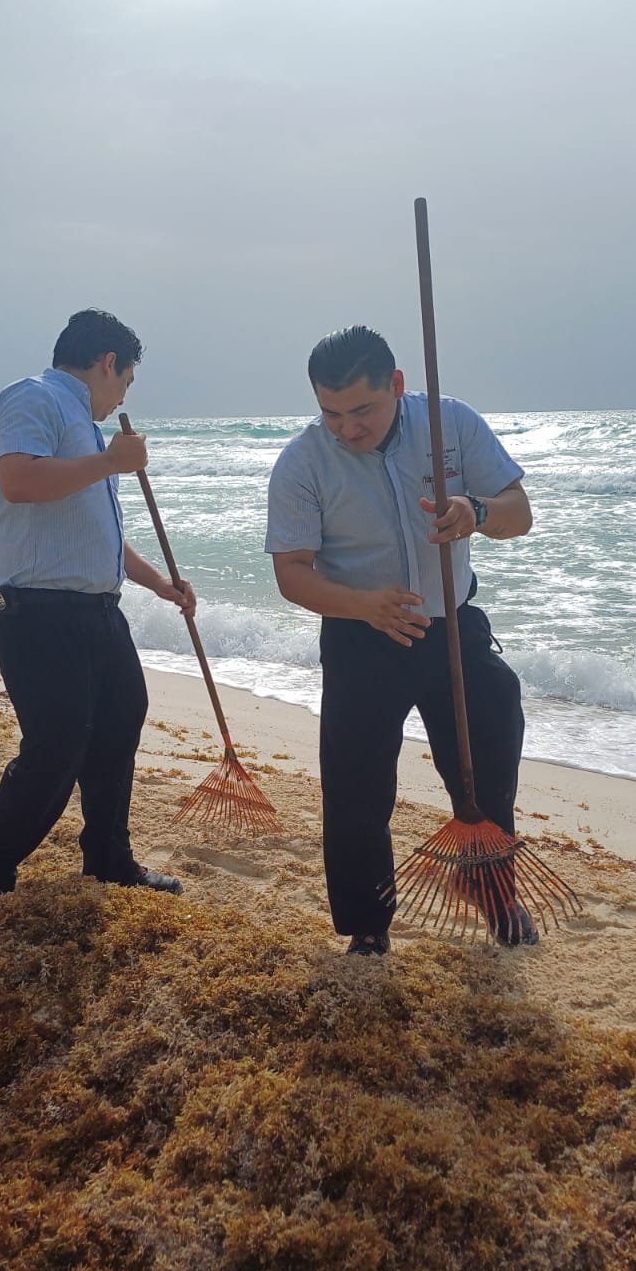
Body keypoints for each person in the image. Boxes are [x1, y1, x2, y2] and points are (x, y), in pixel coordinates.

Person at [265, 324, 535, 956]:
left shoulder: (451, 424)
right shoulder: (303, 461)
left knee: (490, 748)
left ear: (396, 385)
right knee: (356, 784)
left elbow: (518, 513)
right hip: (361, 634)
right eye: (330, 413)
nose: (347, 428)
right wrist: (364, 606)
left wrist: (477, 512)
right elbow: (292, 573)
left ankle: (493, 891)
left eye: (362, 410)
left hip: (451, 630)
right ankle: (367, 924)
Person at [0, 308, 194, 901]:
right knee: (58, 742)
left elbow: (99, 534)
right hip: (36, 608)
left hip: (95, 609)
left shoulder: (88, 429)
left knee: (120, 720)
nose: (120, 399)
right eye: (126, 383)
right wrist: (113, 462)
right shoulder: (31, 398)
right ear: (107, 363)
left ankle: (110, 860)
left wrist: (160, 583)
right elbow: (19, 481)